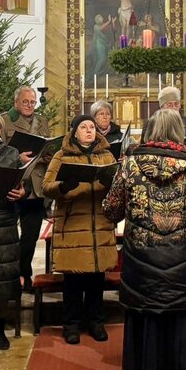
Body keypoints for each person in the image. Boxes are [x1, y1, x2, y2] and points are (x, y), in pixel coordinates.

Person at [102, 108, 186, 370]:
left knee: (147, 330)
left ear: (149, 131)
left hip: (143, 266)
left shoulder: (130, 166)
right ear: (179, 132)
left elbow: (111, 211)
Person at [42, 114, 118, 345]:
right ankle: (71, 325)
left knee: (96, 279)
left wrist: (110, 182)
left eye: (92, 127)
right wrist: (64, 186)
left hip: (99, 225)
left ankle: (96, 322)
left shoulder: (106, 155)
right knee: (73, 281)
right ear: (74, 131)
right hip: (73, 225)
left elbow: (119, 184)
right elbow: (46, 187)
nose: (88, 131)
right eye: (83, 127)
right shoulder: (62, 156)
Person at [1, 85, 51, 293]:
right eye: (25, 102)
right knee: (9, 238)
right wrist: (16, 158)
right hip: (13, 185)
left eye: (32, 102)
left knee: (30, 238)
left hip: (36, 187)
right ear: (16, 102)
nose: (30, 105)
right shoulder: (4, 121)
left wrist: (47, 154)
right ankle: (10, 278)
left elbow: (48, 148)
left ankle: (25, 274)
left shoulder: (42, 122)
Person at [0, 109, 28, 350]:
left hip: (5, 221)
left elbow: (21, 187)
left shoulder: (12, 153)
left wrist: (22, 193)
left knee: (2, 280)